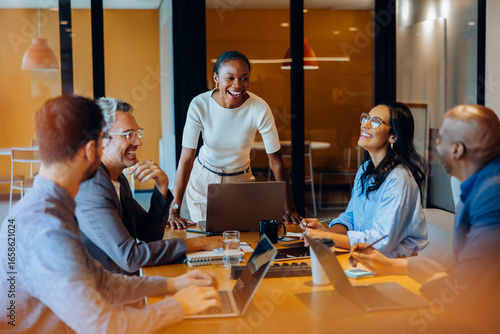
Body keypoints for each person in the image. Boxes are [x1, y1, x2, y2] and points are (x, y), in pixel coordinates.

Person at [0, 95, 220, 333]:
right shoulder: (48, 228)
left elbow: (102, 282)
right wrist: (179, 306)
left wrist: (172, 284)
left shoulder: (47, 206)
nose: (138, 142)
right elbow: (104, 326)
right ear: (92, 149)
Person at [350, 105, 500, 330]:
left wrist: (423, 297)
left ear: (457, 150)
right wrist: (392, 266)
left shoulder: (491, 195)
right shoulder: (475, 184)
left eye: (440, 137)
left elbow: (469, 281)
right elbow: (461, 260)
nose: (435, 144)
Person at [75, 97, 222, 275]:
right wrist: (200, 243)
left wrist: (162, 186)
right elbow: (130, 257)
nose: (138, 142)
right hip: (100, 293)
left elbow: (149, 234)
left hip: (122, 282)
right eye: (128, 134)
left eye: (137, 133)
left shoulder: (117, 178)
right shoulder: (91, 187)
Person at [168, 50, 301, 229]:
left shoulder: (259, 108)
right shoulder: (199, 105)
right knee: (209, 238)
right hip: (205, 183)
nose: (237, 85)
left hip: (242, 182)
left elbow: (276, 161)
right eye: (229, 78)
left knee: (242, 239)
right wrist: (174, 210)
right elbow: (186, 160)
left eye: (244, 78)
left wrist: (289, 208)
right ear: (216, 78)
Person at [302, 101, 428, 257]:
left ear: (393, 136)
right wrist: (326, 232)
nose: (365, 125)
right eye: (365, 118)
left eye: (375, 121)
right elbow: (351, 217)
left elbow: (381, 241)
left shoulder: (399, 178)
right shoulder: (365, 169)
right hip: (363, 256)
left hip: (394, 266)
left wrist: (328, 238)